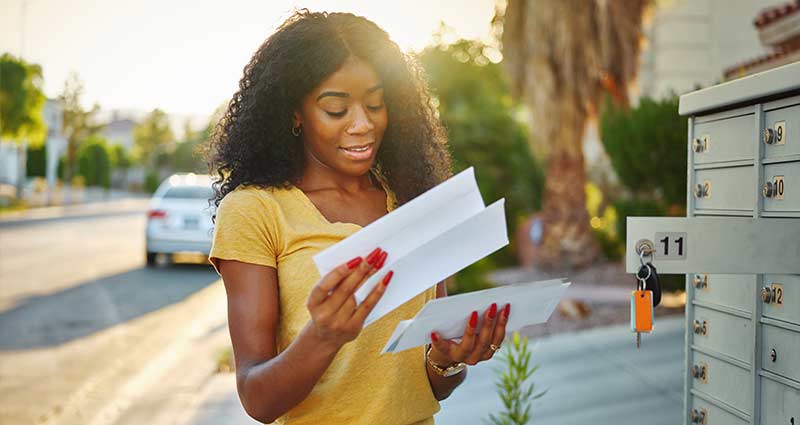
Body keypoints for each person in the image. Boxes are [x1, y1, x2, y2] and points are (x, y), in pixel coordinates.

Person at [207, 10, 511, 425]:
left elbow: (422, 385)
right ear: (295, 113)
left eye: (375, 104)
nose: (363, 125)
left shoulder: (412, 201)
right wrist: (323, 336)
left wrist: (447, 359)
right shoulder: (255, 211)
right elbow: (257, 399)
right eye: (336, 110)